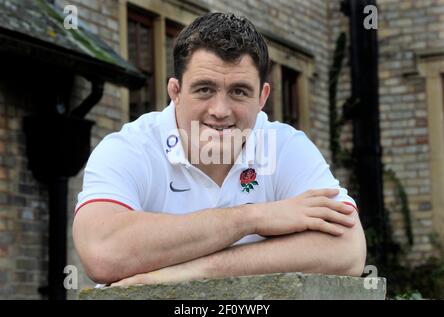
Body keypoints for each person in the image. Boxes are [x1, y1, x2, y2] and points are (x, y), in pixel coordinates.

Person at [73, 12, 366, 286]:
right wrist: (253, 218)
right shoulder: (130, 148)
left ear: (262, 96)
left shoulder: (285, 146)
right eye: (205, 89)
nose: (220, 110)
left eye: (239, 91)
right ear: (175, 91)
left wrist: (197, 271)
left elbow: (348, 249)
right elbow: (103, 251)